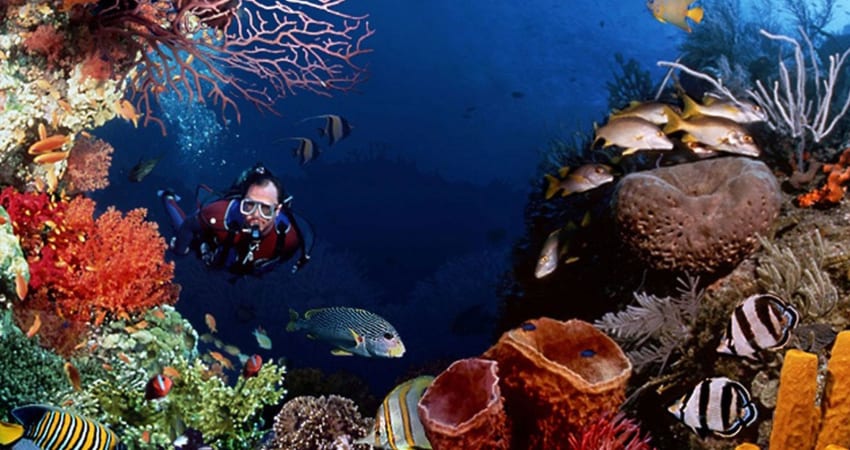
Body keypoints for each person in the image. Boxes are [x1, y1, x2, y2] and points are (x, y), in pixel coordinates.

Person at [158, 163, 311, 276]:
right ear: (240, 203)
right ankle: (168, 197)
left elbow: (291, 249)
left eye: (265, 209)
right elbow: (189, 224)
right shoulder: (221, 214)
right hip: (214, 243)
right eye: (249, 205)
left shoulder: (289, 236)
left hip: (239, 264)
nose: (255, 215)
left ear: (277, 211)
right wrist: (180, 248)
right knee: (185, 236)